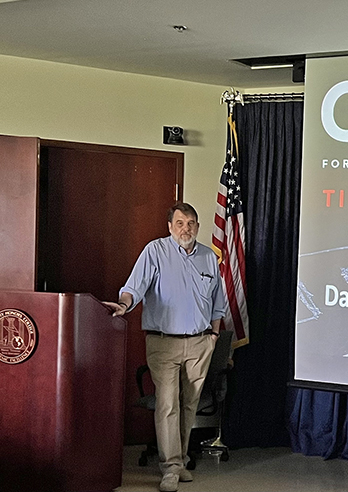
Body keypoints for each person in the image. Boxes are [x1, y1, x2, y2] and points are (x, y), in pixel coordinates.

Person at [104, 202, 227, 492]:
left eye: (192, 223)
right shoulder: (154, 252)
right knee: (168, 404)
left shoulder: (209, 258)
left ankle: (181, 460)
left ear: (198, 226)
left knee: (189, 405)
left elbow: (218, 304)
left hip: (200, 343)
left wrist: (213, 336)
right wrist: (124, 305)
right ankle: (170, 468)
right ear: (170, 226)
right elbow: (134, 286)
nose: (187, 229)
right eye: (181, 223)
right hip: (164, 343)